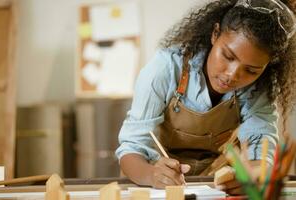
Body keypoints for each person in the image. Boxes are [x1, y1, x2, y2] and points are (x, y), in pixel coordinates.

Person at [115, 0, 296, 195]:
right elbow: (131, 150)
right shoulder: (166, 67)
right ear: (215, 34)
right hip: (156, 183)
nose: (232, 75)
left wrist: (254, 175)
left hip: (215, 187)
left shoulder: (258, 87)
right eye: (227, 56)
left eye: (251, 70)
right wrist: (151, 174)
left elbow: (260, 149)